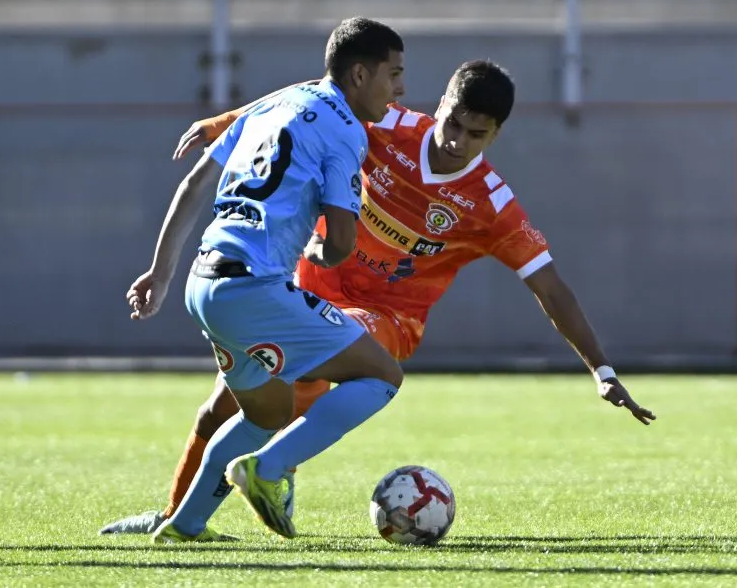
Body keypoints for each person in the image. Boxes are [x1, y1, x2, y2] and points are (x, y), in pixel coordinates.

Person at [102, 59, 655, 538]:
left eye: (475, 134)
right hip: (300, 286)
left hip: (390, 317)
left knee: (331, 363)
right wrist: (225, 122)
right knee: (222, 407)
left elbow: (550, 287)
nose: (456, 140)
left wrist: (601, 369)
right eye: (453, 122)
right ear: (440, 104)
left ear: (496, 136)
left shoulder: (492, 205)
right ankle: (178, 518)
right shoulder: (387, 124)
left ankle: (272, 469)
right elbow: (311, 94)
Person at [126, 16, 408, 543]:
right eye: (394, 74)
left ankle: (186, 525)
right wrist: (323, 251)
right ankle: (268, 470)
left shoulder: (273, 105)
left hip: (203, 283)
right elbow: (342, 242)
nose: (401, 88)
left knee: (267, 411)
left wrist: (160, 274)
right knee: (382, 375)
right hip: (253, 289)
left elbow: (194, 183)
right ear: (360, 75)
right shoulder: (346, 130)